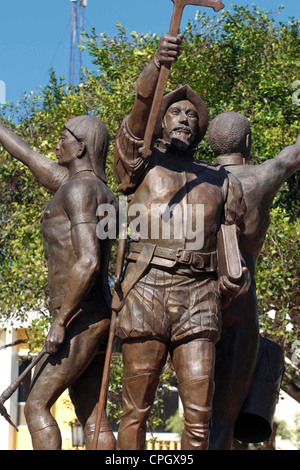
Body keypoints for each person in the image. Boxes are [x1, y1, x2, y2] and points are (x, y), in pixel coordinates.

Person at [113, 35, 250, 450]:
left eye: (192, 115)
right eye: (175, 111)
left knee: (199, 417)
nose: (185, 119)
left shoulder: (220, 180)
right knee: (136, 408)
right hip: (147, 289)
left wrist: (231, 278)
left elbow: (231, 241)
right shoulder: (139, 165)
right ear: (161, 120)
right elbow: (134, 126)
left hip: (199, 297)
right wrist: (155, 68)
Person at [0, 115, 118, 450]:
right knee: (92, 413)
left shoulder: (80, 189)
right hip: (93, 313)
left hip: (79, 315)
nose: (56, 143)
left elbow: (89, 260)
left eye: (63, 137)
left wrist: (60, 320)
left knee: (36, 405)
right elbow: (26, 155)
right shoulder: (89, 188)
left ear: (80, 146)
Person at [207, 111, 300, 450]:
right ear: (247, 143)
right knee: (224, 417)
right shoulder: (263, 175)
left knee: (196, 412)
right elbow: (295, 153)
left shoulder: (193, 179)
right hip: (241, 301)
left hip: (197, 301)